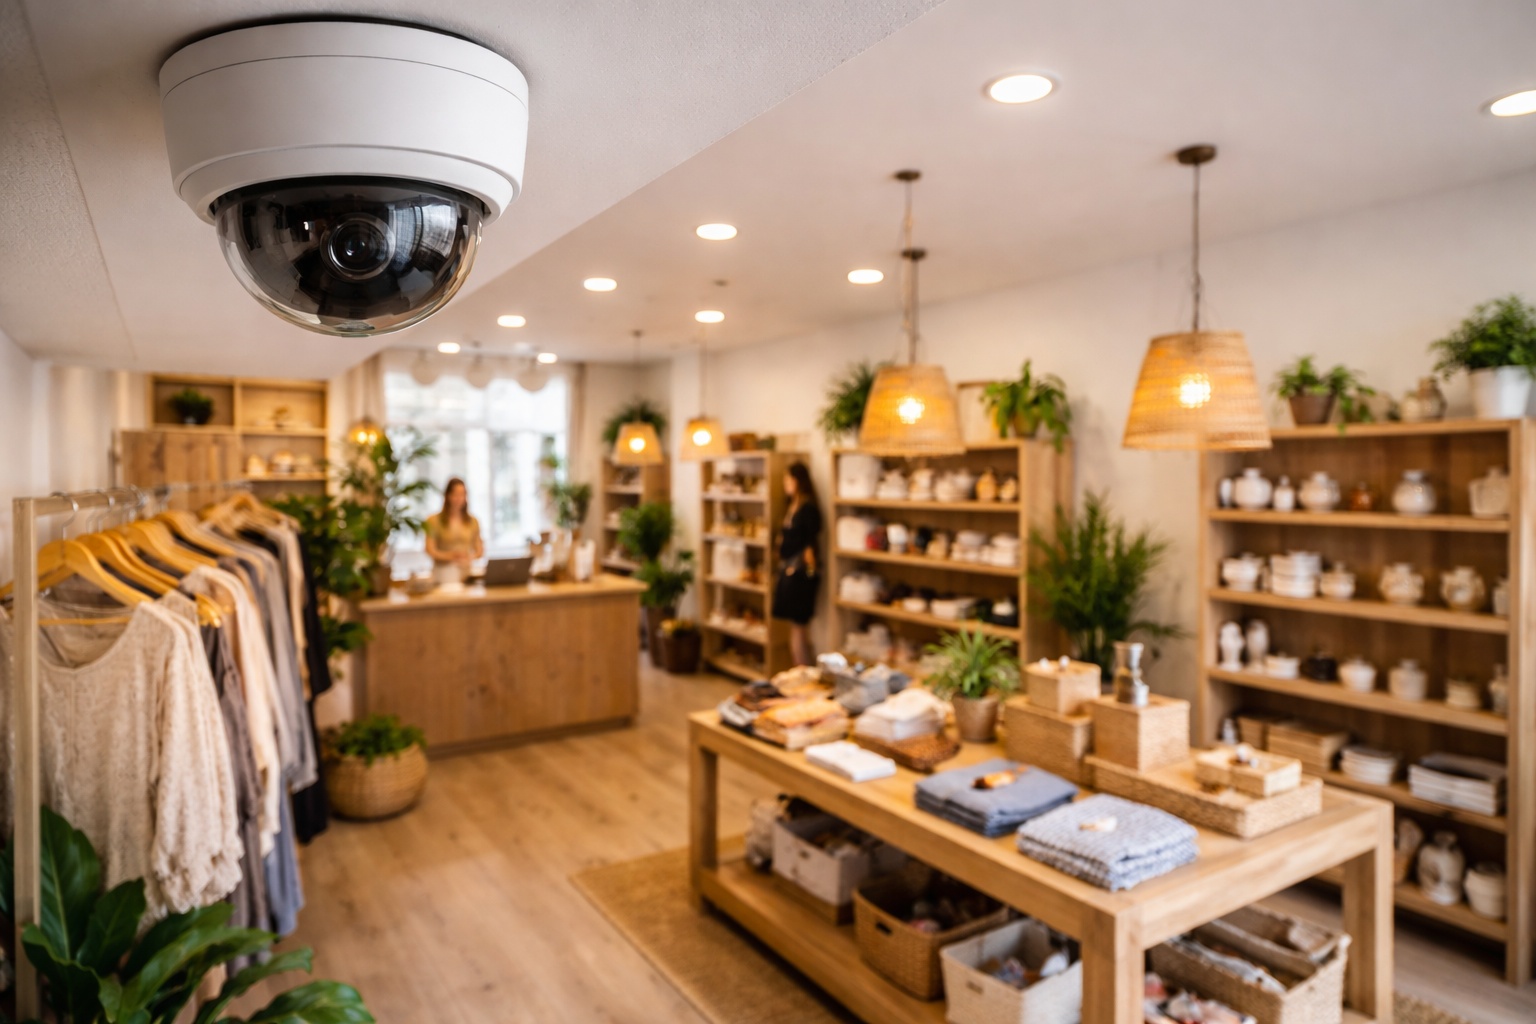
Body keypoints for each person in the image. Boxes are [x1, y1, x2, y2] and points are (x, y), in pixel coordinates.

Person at [773, 462, 822, 666]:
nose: (785, 483)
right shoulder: (792, 506)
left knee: (799, 629)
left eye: (789, 479)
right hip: (788, 570)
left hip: (799, 574)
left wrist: (809, 572)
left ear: (799, 481)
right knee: (795, 630)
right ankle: (800, 669)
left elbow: (810, 545)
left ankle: (803, 671)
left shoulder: (807, 509)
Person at [424, 477, 484, 573]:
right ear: (448, 495)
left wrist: (469, 557)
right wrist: (451, 556)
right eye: (455, 494)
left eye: (462, 494)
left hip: (466, 570)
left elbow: (479, 550)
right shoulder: (433, 520)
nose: (459, 498)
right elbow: (429, 549)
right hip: (443, 571)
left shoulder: (473, 521)